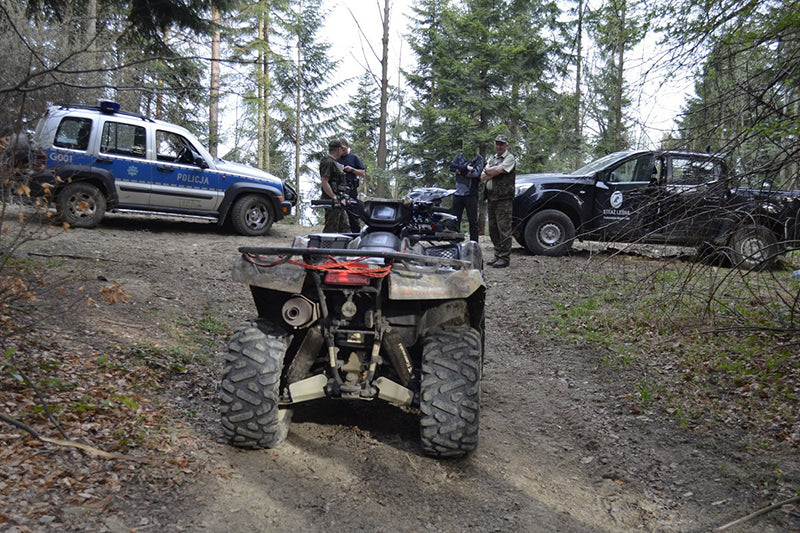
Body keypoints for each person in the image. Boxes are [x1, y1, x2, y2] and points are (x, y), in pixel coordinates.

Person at [480, 134, 516, 268]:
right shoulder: (493, 158)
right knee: (493, 229)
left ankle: (504, 258)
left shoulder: (509, 158)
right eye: (497, 143)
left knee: (504, 229)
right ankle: (498, 255)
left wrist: (489, 170)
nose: (499, 146)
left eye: (501, 144)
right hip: (491, 198)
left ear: (506, 145)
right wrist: (492, 171)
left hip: (504, 199)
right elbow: (482, 176)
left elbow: (500, 169)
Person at [449, 150, 484, 242]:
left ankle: (474, 244)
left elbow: (475, 173)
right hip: (457, 194)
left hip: (471, 195)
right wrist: (466, 168)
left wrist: (460, 171)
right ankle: (454, 243)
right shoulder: (459, 156)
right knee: (455, 220)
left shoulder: (479, 158)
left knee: (473, 221)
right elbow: (451, 167)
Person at [319, 139, 350, 233]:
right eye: (342, 149)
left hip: (339, 199)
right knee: (331, 228)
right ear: (338, 150)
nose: (342, 151)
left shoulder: (334, 162)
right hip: (332, 200)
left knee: (345, 227)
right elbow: (325, 181)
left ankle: (345, 247)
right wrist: (333, 197)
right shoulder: (328, 162)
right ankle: (326, 246)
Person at [337, 138, 366, 232]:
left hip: (351, 191)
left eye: (344, 149)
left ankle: (356, 236)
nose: (342, 151)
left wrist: (352, 170)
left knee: (353, 217)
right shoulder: (336, 159)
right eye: (341, 149)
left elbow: (363, 173)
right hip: (338, 190)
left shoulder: (354, 158)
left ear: (347, 147)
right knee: (338, 216)